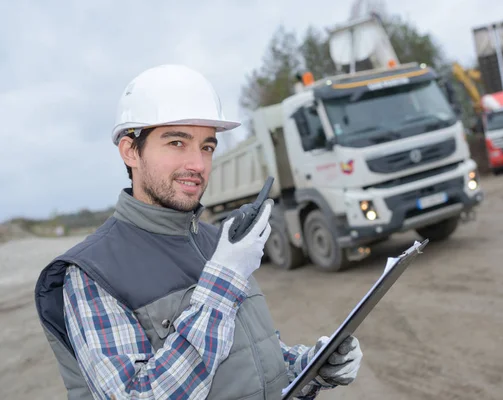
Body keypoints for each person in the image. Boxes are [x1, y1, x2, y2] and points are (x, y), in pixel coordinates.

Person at [34, 64, 363, 399]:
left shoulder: (217, 243)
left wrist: (312, 366)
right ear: (131, 151)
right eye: (177, 142)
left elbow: (250, 363)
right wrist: (223, 281)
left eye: (207, 146)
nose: (198, 164)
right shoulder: (93, 272)